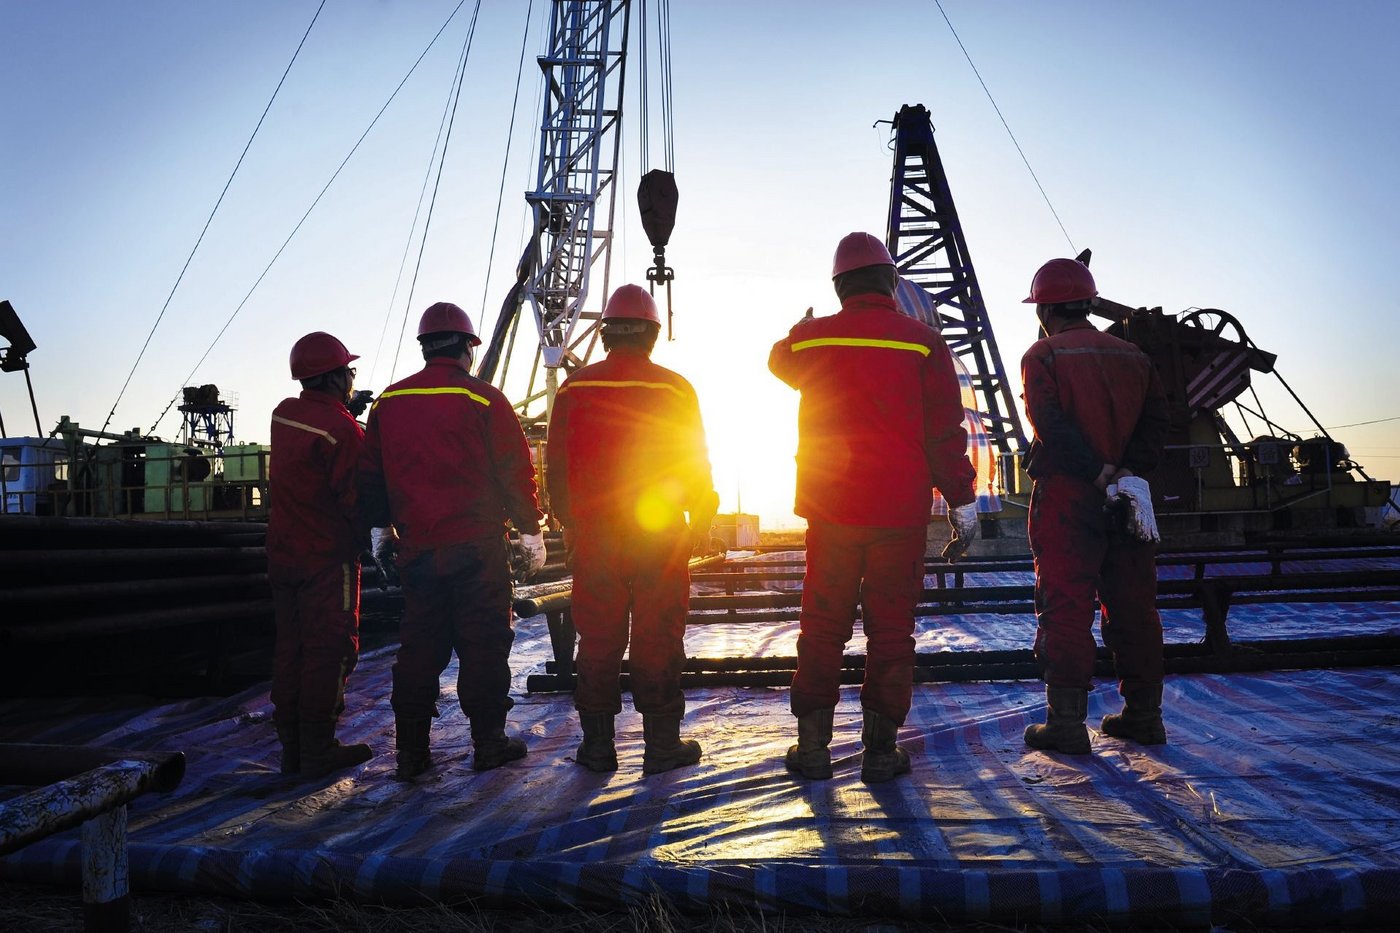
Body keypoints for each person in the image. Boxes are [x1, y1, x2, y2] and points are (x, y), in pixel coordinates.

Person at [769, 232, 979, 784]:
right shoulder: (925, 343)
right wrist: (962, 498)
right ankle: (881, 753)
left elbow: (778, 362)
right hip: (898, 515)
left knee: (821, 628)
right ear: (891, 281)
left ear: (839, 285)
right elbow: (943, 433)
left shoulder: (813, 342)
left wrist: (804, 326)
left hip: (832, 511)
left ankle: (812, 748)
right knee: (890, 632)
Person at [358, 302, 546, 779]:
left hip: (419, 552)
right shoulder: (485, 400)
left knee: (420, 649)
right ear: (467, 347)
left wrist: (382, 532)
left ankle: (412, 755)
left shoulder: (388, 403)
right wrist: (530, 532)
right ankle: (488, 744)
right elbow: (515, 473)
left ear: (425, 347)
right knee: (483, 647)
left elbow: (372, 476)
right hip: (477, 551)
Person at [546, 284, 719, 775]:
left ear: (605, 335)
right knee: (657, 636)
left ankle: (597, 749)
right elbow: (694, 463)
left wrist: (571, 525)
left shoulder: (574, 389)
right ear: (651, 333)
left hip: (598, 536)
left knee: (597, 638)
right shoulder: (674, 387)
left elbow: (556, 470)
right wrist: (702, 519)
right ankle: (662, 746)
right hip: (659, 535)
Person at [1018, 257, 1170, 754]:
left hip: (1069, 496)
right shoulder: (1136, 356)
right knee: (1134, 606)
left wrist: (1093, 471)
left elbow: (1050, 424)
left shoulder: (1042, 355)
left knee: (1064, 607)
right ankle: (1145, 716)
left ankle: (1065, 724)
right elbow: (1155, 426)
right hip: (1129, 497)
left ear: (1044, 308)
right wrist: (1126, 472)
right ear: (1087, 303)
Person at [267, 332, 373, 779]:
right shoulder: (342, 431)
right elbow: (356, 501)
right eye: (348, 371)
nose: (351, 377)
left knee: (292, 649)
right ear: (332, 378)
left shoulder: (284, 414)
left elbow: (314, 447)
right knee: (330, 650)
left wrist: (346, 412)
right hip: (328, 559)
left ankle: (293, 750)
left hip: (284, 556)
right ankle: (318, 748)